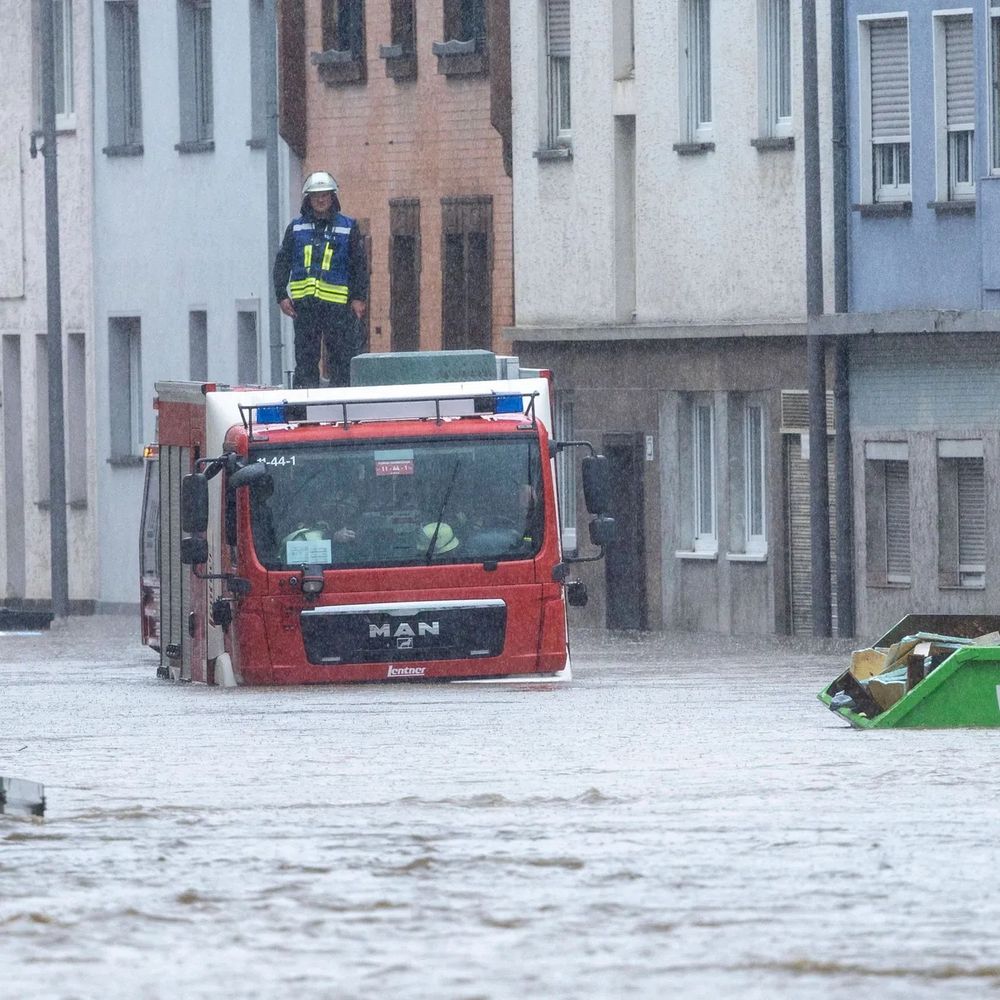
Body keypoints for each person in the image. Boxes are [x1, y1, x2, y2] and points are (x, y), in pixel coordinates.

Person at [273, 171, 369, 388]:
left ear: (333, 197)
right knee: (305, 361)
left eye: (325, 194)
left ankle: (340, 408)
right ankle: (305, 412)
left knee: (342, 359)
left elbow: (359, 266)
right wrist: (281, 295)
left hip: (338, 307)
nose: (321, 199)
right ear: (308, 198)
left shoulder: (348, 227)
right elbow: (282, 262)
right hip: (305, 307)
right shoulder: (296, 228)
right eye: (316, 195)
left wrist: (358, 298)